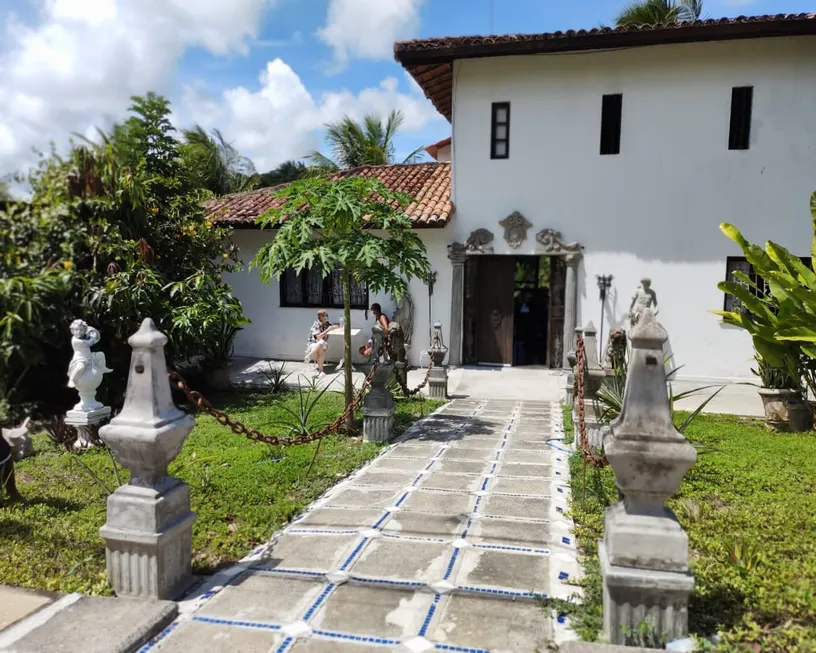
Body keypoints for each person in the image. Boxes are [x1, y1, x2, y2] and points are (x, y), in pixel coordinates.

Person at [305, 310, 338, 377]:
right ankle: (321, 371)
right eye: (325, 315)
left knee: (321, 344)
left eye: (326, 315)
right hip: (313, 344)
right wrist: (328, 330)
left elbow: (337, 325)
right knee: (321, 343)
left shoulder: (327, 323)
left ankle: (308, 356)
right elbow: (318, 337)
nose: (326, 317)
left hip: (322, 345)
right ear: (320, 316)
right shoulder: (316, 324)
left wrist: (333, 327)